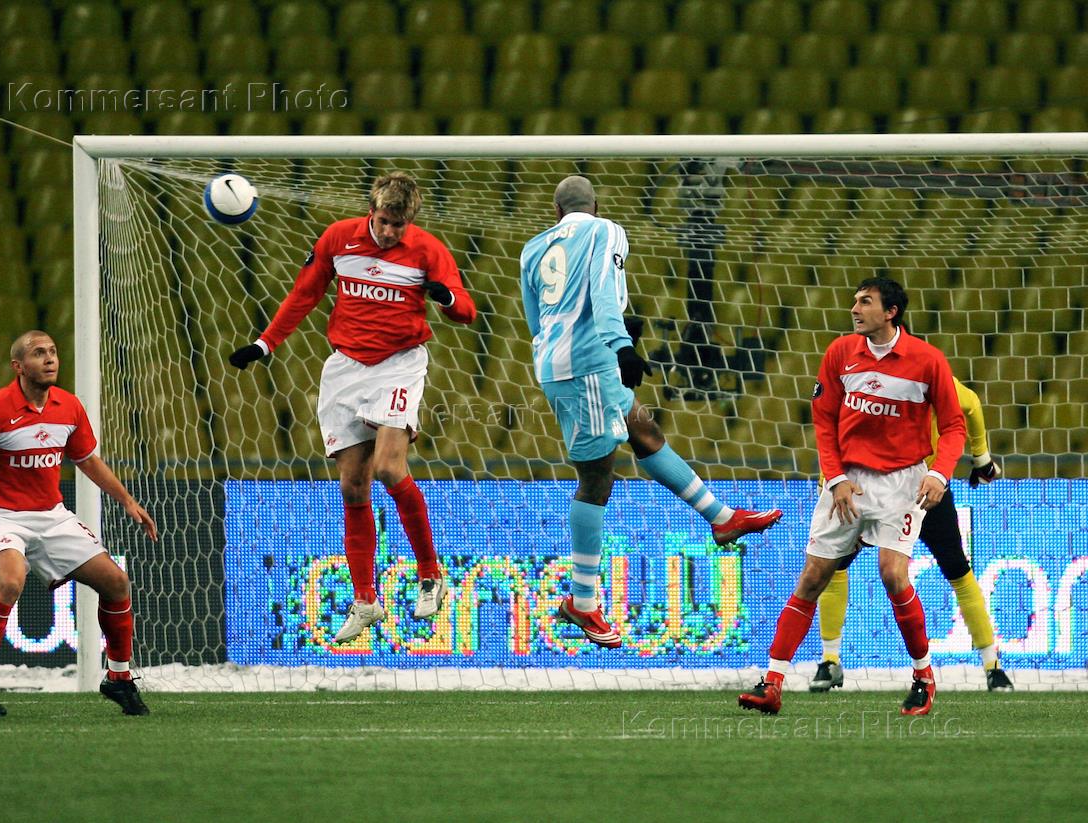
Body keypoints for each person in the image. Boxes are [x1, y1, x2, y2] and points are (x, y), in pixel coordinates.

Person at [519, 175, 782, 648]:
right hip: (589, 365)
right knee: (597, 478)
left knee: (645, 434)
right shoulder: (605, 230)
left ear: (556, 212)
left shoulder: (533, 248)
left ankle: (722, 518)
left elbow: (536, 319)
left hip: (564, 362)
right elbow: (603, 290)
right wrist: (621, 344)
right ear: (596, 205)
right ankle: (582, 602)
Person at [228, 171, 475, 644]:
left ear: (410, 221)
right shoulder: (338, 239)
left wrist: (447, 298)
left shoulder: (428, 250)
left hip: (399, 364)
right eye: (384, 222)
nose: (390, 232)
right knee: (352, 486)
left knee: (388, 468)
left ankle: (430, 573)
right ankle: (365, 601)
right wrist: (265, 344)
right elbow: (305, 293)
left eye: (399, 225)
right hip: (345, 367)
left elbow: (467, 310)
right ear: (371, 212)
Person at [738, 277, 966, 717]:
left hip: (902, 482)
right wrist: (836, 477)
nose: (855, 309)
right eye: (855, 301)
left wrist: (940, 473)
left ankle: (923, 678)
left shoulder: (927, 360)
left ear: (891, 312)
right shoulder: (840, 353)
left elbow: (954, 425)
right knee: (812, 578)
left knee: (893, 574)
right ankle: (772, 683)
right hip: (847, 483)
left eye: (865, 302)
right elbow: (824, 420)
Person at [0, 331, 158, 716]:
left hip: (51, 514)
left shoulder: (68, 406)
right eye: (39, 353)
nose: (50, 359)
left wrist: (127, 500)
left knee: (116, 582)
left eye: (52, 352)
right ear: (18, 366)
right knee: (9, 583)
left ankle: (118, 678)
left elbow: (87, 459)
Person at [810, 376, 1013, 693]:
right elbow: (971, 403)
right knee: (835, 564)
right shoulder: (871, 377)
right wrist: (982, 459)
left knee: (955, 569)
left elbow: (970, 403)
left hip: (918, 488)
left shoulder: (912, 375)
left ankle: (992, 664)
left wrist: (828, 479)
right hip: (883, 486)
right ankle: (830, 659)